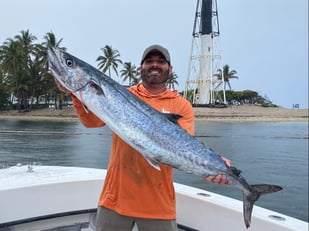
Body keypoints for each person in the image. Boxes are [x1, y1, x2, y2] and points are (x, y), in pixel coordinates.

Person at [61, 44, 232, 231]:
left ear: (170, 69)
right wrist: (75, 94)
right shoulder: (124, 94)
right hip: (115, 200)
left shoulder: (181, 106)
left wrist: (213, 166)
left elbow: (183, 148)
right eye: (149, 61)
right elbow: (91, 122)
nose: (155, 65)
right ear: (140, 67)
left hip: (159, 205)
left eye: (161, 61)